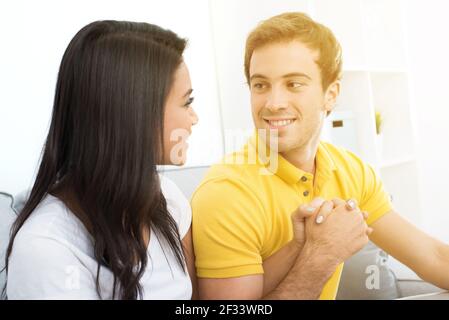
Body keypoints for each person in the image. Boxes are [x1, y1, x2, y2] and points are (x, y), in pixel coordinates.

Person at [191, 12, 449, 299]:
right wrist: (323, 254)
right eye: (260, 85)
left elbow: (433, 258)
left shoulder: (351, 170)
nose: (273, 103)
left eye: (294, 84)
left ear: (331, 94)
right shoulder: (226, 193)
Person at [3, 20, 199, 299]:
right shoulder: (46, 249)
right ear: (135, 113)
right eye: (187, 102)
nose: (194, 118)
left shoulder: (167, 197)